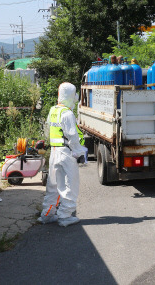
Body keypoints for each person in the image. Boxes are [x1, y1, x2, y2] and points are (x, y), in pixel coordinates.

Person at [39, 82, 87, 227]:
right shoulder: (67, 113)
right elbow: (72, 136)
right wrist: (79, 153)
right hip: (66, 152)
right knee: (70, 185)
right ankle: (65, 216)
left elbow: (48, 130)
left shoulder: (53, 110)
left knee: (53, 184)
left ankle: (47, 215)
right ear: (71, 96)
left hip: (54, 151)